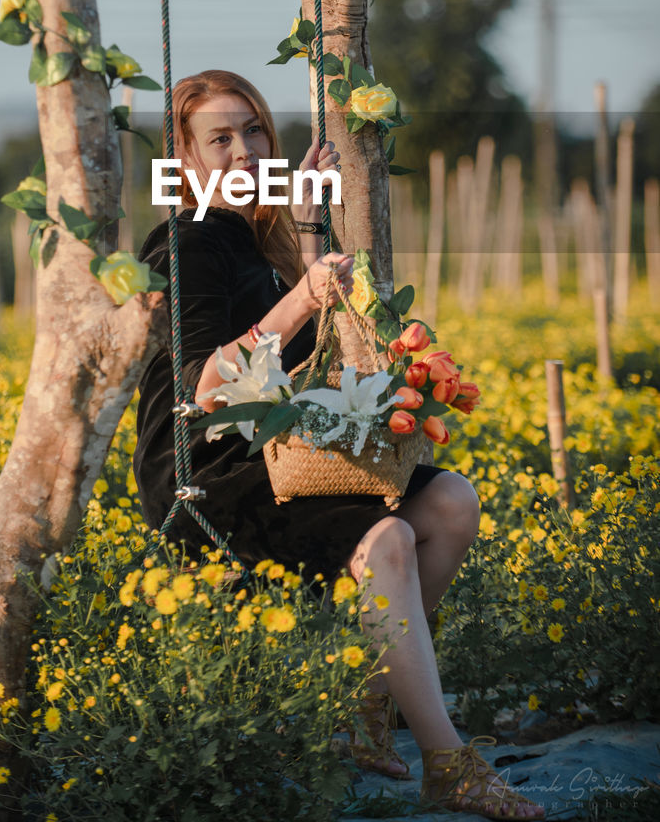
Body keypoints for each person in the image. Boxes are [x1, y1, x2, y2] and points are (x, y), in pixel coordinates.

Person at [134, 70, 544, 820]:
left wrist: (310, 231)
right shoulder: (188, 241)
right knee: (386, 537)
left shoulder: (254, 241)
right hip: (203, 466)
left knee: (450, 502)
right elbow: (202, 387)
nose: (244, 150)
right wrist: (303, 294)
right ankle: (447, 763)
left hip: (273, 448)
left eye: (253, 130)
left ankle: (367, 707)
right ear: (186, 162)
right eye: (219, 139)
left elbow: (309, 353)